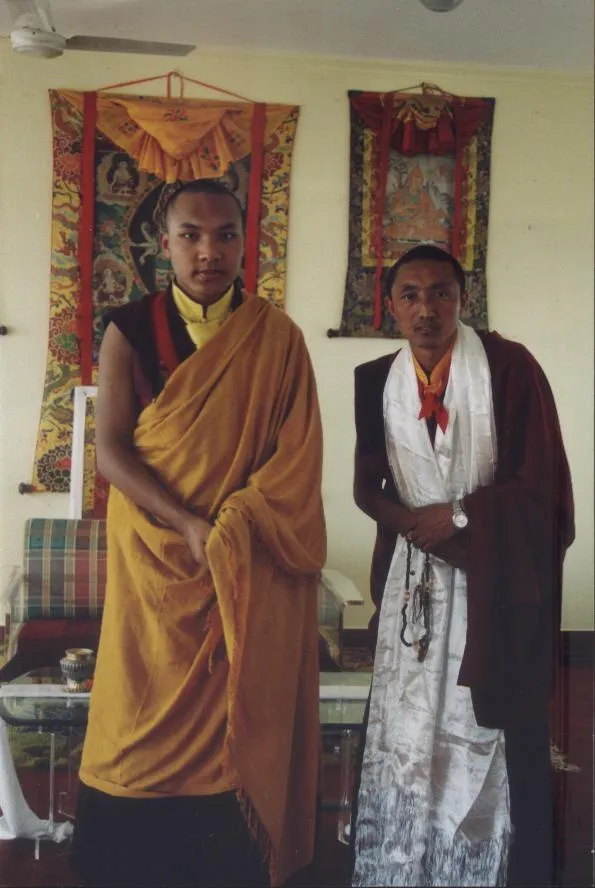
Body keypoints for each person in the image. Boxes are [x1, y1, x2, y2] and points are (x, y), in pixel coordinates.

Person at [72, 179, 326, 888]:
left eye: (223, 234)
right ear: (163, 243)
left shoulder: (276, 338)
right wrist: (188, 522)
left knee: (237, 704)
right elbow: (112, 452)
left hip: (241, 559)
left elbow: (296, 457)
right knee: (136, 704)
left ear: (246, 240)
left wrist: (233, 526)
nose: (207, 251)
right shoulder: (128, 327)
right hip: (157, 552)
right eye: (190, 234)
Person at [350, 244, 574, 887]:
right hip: (413, 574)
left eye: (441, 293)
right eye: (411, 295)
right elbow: (368, 488)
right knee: (409, 722)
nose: (427, 309)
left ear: (463, 299)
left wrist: (462, 518)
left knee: (490, 728)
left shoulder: (509, 367)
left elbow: (545, 484)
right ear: (389, 306)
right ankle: (411, 863)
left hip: (496, 581)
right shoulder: (374, 379)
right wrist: (420, 527)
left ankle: (490, 868)